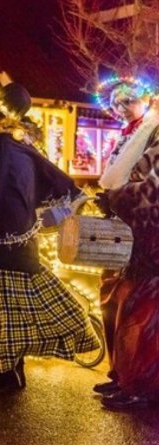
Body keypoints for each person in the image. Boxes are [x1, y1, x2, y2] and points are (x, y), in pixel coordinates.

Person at [0, 82, 100, 393]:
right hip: (18, 242)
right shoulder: (23, 145)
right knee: (13, 313)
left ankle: (7, 375)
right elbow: (47, 186)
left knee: (0, 314)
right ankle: (9, 372)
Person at [93, 78, 159, 408]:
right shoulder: (147, 133)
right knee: (130, 311)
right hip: (145, 244)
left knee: (143, 317)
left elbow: (147, 191)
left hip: (153, 245)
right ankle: (130, 379)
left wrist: (116, 198)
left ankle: (141, 387)